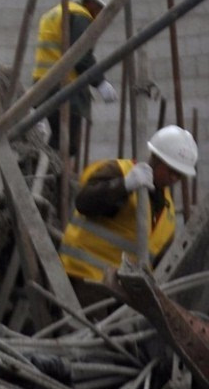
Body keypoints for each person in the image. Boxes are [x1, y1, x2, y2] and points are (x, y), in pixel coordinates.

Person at [59, 124, 198, 306]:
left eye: (179, 175)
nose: (174, 178)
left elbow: (160, 258)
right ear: (156, 159)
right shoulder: (119, 171)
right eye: (171, 170)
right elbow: (84, 202)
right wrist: (124, 185)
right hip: (85, 277)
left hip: (123, 292)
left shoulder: (167, 207)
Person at [35, 0, 119, 159]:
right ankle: (52, 179)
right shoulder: (81, 17)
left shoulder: (59, 11)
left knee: (59, 141)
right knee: (66, 144)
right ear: (95, 5)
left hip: (44, 84)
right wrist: (100, 83)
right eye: (103, 11)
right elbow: (80, 55)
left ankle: (45, 171)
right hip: (64, 87)